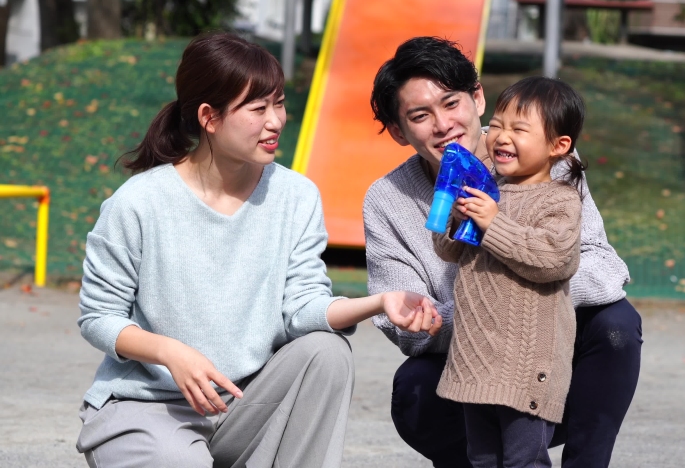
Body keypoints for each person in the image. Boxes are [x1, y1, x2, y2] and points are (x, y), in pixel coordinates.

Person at [75, 32, 440, 468]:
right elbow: (98, 317)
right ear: (209, 117)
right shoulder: (137, 203)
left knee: (326, 352)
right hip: (148, 409)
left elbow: (300, 309)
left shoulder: (295, 195)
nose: (276, 121)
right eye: (258, 108)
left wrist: (381, 301)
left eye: (280, 103)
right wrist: (171, 352)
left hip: (244, 407)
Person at [365, 36, 642, 468]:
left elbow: (604, 269)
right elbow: (407, 328)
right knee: (414, 387)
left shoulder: (546, 159)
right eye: (421, 115)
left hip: (549, 354)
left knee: (617, 325)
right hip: (468, 363)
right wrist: (430, 315)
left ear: (477, 98)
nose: (443, 125)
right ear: (400, 131)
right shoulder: (386, 200)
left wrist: (512, 301)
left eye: (451, 102)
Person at [433, 76, 587, 467]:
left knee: (524, 460)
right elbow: (449, 250)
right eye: (497, 124)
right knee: (481, 459)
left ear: (559, 145)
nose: (501, 136)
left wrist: (493, 223)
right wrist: (454, 208)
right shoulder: (487, 190)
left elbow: (554, 259)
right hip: (476, 356)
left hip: (526, 364)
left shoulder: (559, 200)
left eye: (519, 129)